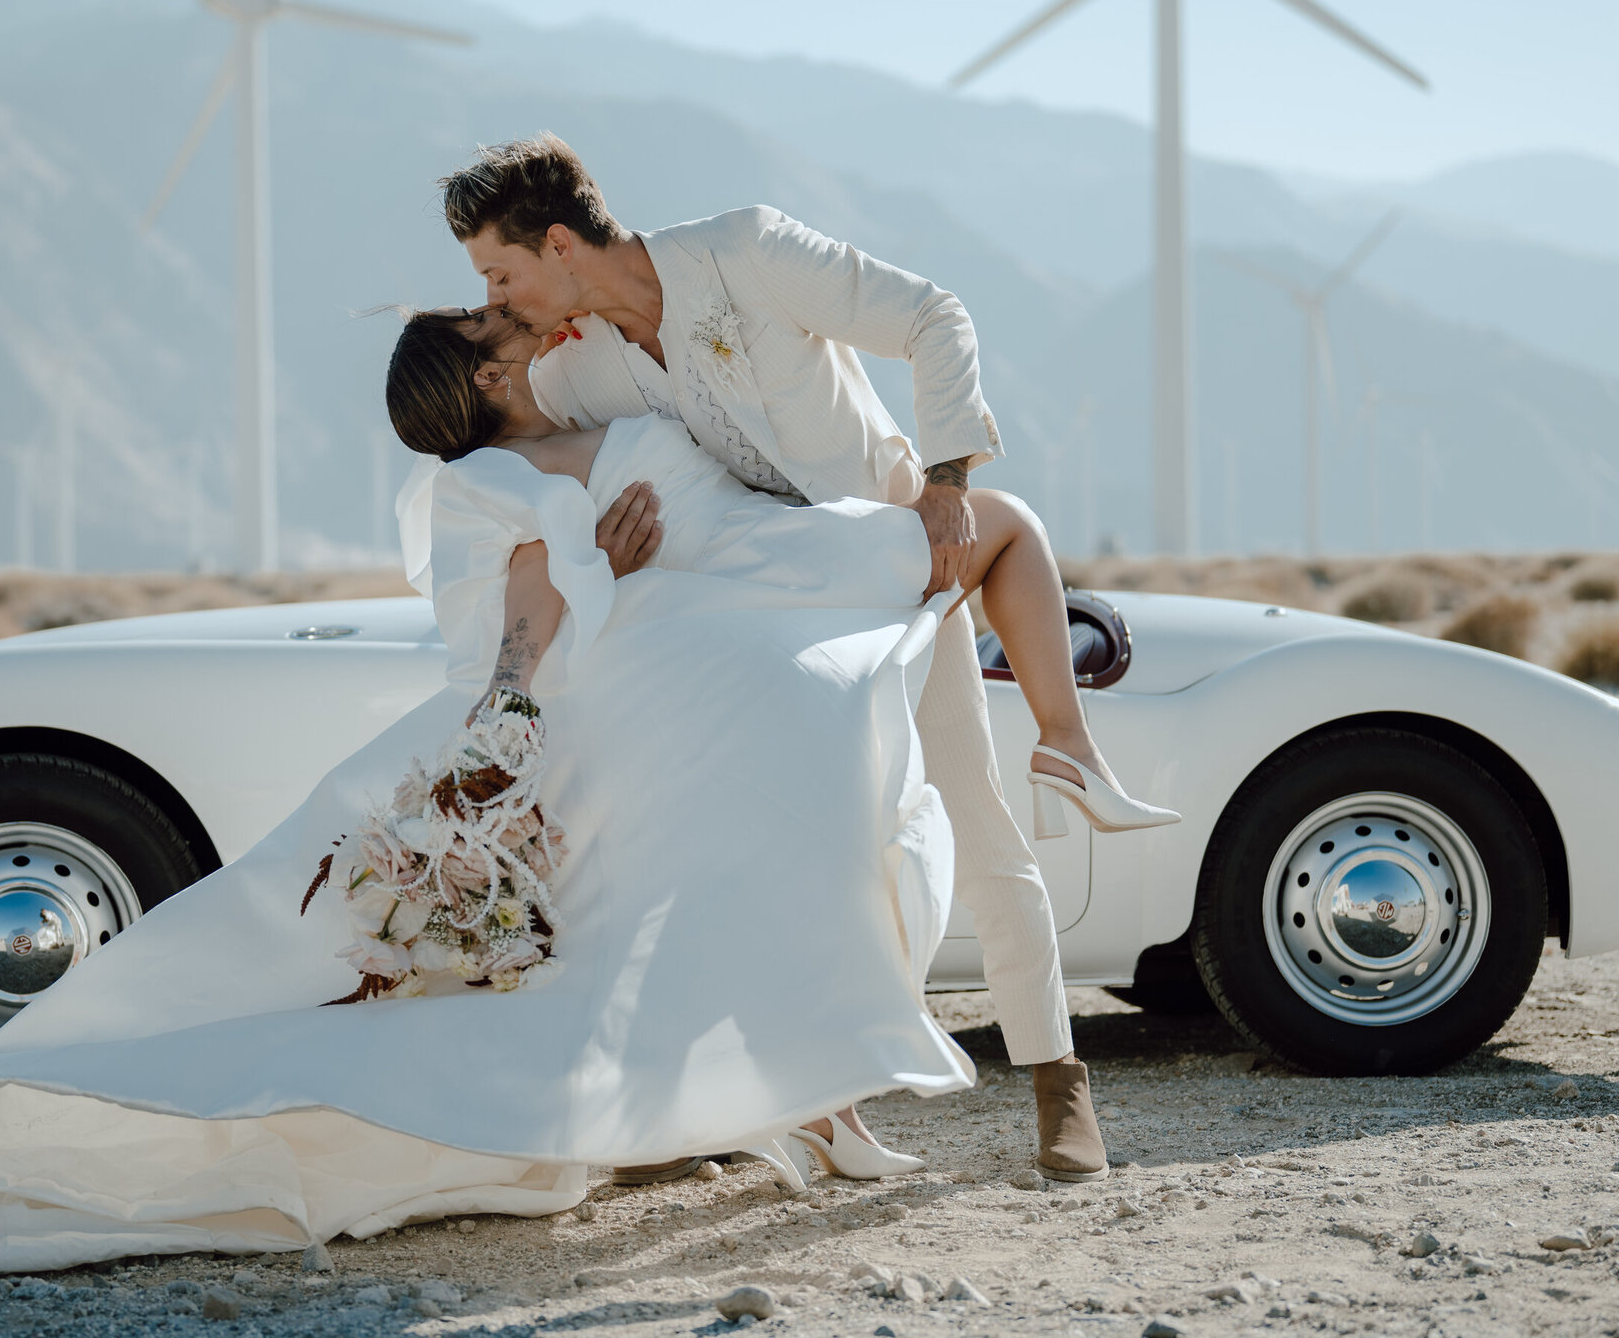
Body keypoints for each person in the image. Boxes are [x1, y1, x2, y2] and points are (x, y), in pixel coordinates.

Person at [0, 312, 982, 1275]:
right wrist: (523, 689)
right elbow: (527, 598)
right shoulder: (501, 477)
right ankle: (813, 1102)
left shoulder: (595, 394)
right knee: (723, 888)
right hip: (653, 689)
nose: (502, 314)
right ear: (486, 374)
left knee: (798, 853)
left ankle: (814, 1100)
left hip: (739, 632)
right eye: (484, 320)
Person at [444, 134, 1174, 1186]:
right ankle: (731, 1109)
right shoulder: (572, 370)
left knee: (973, 817)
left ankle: (1061, 1082)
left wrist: (946, 477)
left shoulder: (745, 250)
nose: (501, 298)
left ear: (559, 241)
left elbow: (934, 318)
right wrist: (598, 559)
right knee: (774, 851)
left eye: (501, 272)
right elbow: (560, 483)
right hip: (766, 622)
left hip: (899, 562)